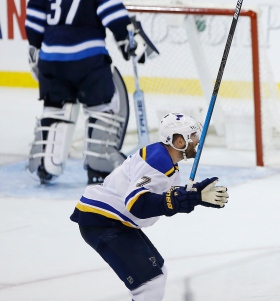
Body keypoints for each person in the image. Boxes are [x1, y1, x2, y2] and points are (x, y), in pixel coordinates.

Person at [70, 112, 229, 301]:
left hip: (115, 221)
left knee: (158, 272)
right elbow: (137, 204)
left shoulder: (164, 159)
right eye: (193, 135)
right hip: (102, 221)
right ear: (179, 142)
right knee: (149, 285)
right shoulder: (158, 162)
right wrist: (186, 198)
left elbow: (163, 196)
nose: (197, 140)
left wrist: (196, 196)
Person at [25, 0, 153, 185]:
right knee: (104, 107)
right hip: (87, 59)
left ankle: (45, 164)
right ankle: (98, 167)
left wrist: (34, 46)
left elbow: (34, 15)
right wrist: (126, 41)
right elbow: (113, 13)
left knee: (55, 108)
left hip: (50, 59)